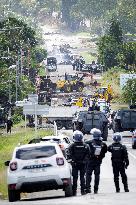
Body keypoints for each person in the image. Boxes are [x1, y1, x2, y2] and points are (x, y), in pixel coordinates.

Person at [67, 130, 90, 196]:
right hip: (83, 164)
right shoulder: (86, 145)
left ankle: (74, 192)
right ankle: (83, 191)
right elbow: (88, 155)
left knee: (75, 178)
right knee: (82, 177)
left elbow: (69, 155)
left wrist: (72, 162)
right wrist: (85, 161)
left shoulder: (71, 146)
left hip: (75, 164)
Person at [85, 128, 107, 194]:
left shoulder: (88, 142)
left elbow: (84, 148)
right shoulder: (103, 144)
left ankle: (88, 188)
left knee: (88, 175)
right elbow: (104, 152)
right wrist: (100, 158)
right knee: (97, 175)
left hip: (90, 161)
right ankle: (96, 189)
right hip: (98, 162)